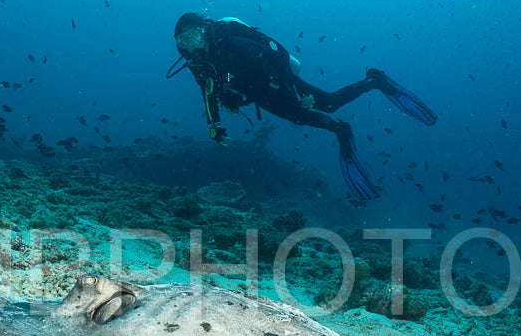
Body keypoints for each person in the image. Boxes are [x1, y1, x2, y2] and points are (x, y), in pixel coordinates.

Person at [167, 12, 437, 200]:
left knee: (328, 103)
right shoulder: (196, 62)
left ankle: (374, 80)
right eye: (184, 40)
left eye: (195, 35)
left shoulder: (230, 41)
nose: (191, 44)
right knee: (299, 118)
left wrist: (294, 88)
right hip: (259, 94)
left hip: (278, 81)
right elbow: (207, 89)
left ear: (206, 29)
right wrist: (214, 124)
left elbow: (276, 55)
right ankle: (340, 129)